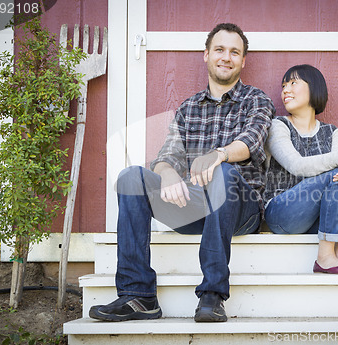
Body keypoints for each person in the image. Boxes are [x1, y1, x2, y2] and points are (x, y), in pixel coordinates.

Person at [89, 23, 275, 323]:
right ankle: (138, 296)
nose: (226, 57)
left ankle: (212, 294)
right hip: (194, 207)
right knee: (131, 177)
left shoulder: (257, 100)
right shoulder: (188, 108)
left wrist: (219, 155)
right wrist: (167, 173)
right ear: (206, 55)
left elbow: (251, 141)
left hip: (241, 208)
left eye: (234, 52)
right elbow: (168, 155)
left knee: (224, 172)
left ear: (243, 61)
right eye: (219, 49)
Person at [263, 64, 338, 274]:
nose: (285, 90)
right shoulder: (278, 125)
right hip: (282, 213)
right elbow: (296, 165)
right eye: (283, 86)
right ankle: (324, 258)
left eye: (293, 83)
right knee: (335, 173)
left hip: (317, 219)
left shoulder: (331, 132)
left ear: (314, 88)